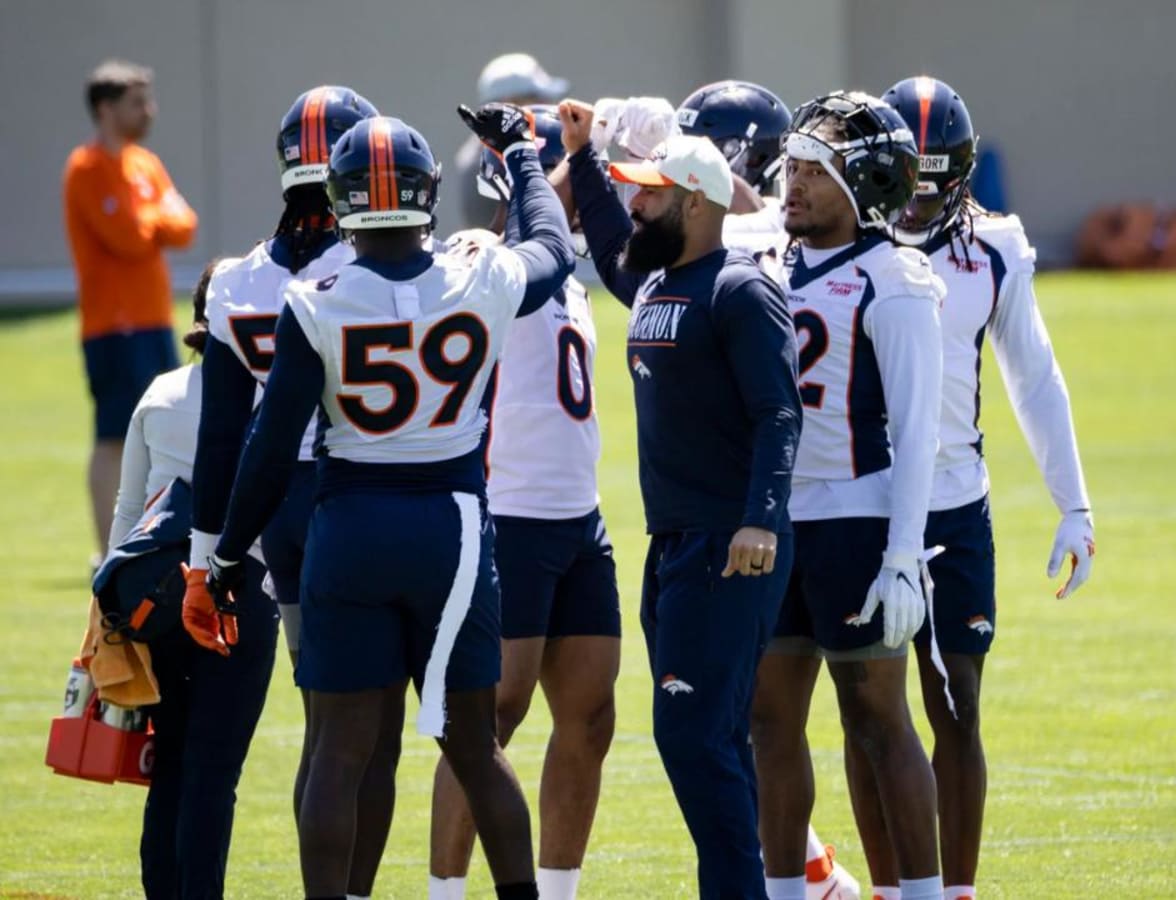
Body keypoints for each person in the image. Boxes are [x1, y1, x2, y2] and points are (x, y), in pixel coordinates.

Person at [194, 108, 573, 900]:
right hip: (453, 527)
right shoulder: (481, 274)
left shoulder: (315, 296)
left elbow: (269, 446)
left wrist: (227, 556)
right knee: (473, 744)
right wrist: (525, 156)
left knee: (338, 746)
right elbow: (553, 247)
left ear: (339, 201)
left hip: (350, 526)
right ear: (429, 191)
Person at [838, 76, 1095, 900]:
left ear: (962, 176)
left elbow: (1035, 377)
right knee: (868, 713)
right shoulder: (831, 238)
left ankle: (956, 891)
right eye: (902, 184)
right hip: (861, 500)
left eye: (932, 187)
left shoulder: (995, 247)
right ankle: (887, 889)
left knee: (959, 706)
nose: (912, 207)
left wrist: (1075, 501)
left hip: (952, 499)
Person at [561, 100, 803, 898]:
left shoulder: (739, 289)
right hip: (673, 547)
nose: (637, 204)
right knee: (706, 740)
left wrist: (760, 520)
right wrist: (584, 163)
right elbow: (607, 249)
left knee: (696, 737)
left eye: (650, 193)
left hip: (726, 546)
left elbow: (779, 410)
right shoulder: (663, 281)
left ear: (695, 201)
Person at [183, 84, 392, 900]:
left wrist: (208, 558)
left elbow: (220, 439)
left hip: (277, 515)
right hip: (365, 494)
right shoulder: (375, 263)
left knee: (326, 729)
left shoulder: (235, 281)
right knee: (371, 740)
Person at [747, 91, 945, 900]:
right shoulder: (766, 263)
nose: (790, 185)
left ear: (862, 186)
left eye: (812, 172)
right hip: (772, 524)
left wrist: (903, 557)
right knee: (770, 724)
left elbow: (919, 429)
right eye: (789, 168)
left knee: (876, 720)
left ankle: (923, 893)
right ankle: (787, 891)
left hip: (854, 523)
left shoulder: (892, 279)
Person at [673, 79, 861, 898]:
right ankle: (811, 873)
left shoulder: (756, 252)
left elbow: (778, 411)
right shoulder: (742, 243)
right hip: (753, 503)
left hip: (800, 507)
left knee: (753, 718)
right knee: (751, 719)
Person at [430, 106, 620, 900]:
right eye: (555, 170)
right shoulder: (486, 255)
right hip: (507, 513)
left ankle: (558, 890)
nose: (575, 180)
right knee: (489, 717)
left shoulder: (568, 276)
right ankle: (446, 891)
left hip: (579, 517)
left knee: (590, 715)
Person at [105, 261, 278, 899]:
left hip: (152, 594)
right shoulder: (267, 397)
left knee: (172, 762)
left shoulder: (159, 392)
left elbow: (129, 512)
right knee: (213, 771)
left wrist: (106, 613)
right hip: (239, 595)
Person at [63, 59, 197, 564]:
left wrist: (154, 219)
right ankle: (107, 550)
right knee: (115, 436)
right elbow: (129, 236)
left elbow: (183, 225)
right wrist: (155, 218)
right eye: (136, 102)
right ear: (105, 108)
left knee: (161, 428)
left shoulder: (145, 164)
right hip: (111, 326)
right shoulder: (87, 168)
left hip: (155, 319)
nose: (149, 111)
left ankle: (155, 538)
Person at [457, 53, 570, 228]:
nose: (548, 104)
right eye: (537, 97)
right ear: (509, 103)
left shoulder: (480, 148)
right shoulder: (483, 160)